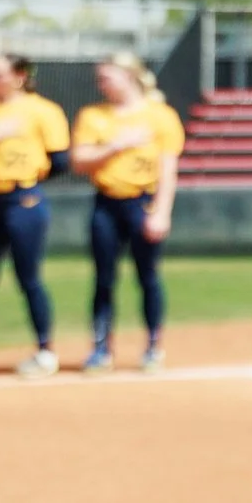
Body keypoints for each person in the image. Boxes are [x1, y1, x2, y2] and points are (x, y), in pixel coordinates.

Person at [0, 53, 72, 380]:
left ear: (19, 76)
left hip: (23, 198)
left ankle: (45, 351)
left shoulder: (44, 111)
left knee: (28, 276)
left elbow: (60, 161)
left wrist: (26, 177)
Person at [71, 51, 185, 373]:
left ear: (129, 76)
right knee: (104, 278)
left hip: (143, 202)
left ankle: (152, 345)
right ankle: (101, 347)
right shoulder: (93, 115)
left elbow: (168, 168)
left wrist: (161, 212)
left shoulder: (160, 116)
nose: (102, 83)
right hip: (106, 202)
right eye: (100, 78)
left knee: (147, 276)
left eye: (107, 76)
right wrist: (117, 145)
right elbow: (79, 161)